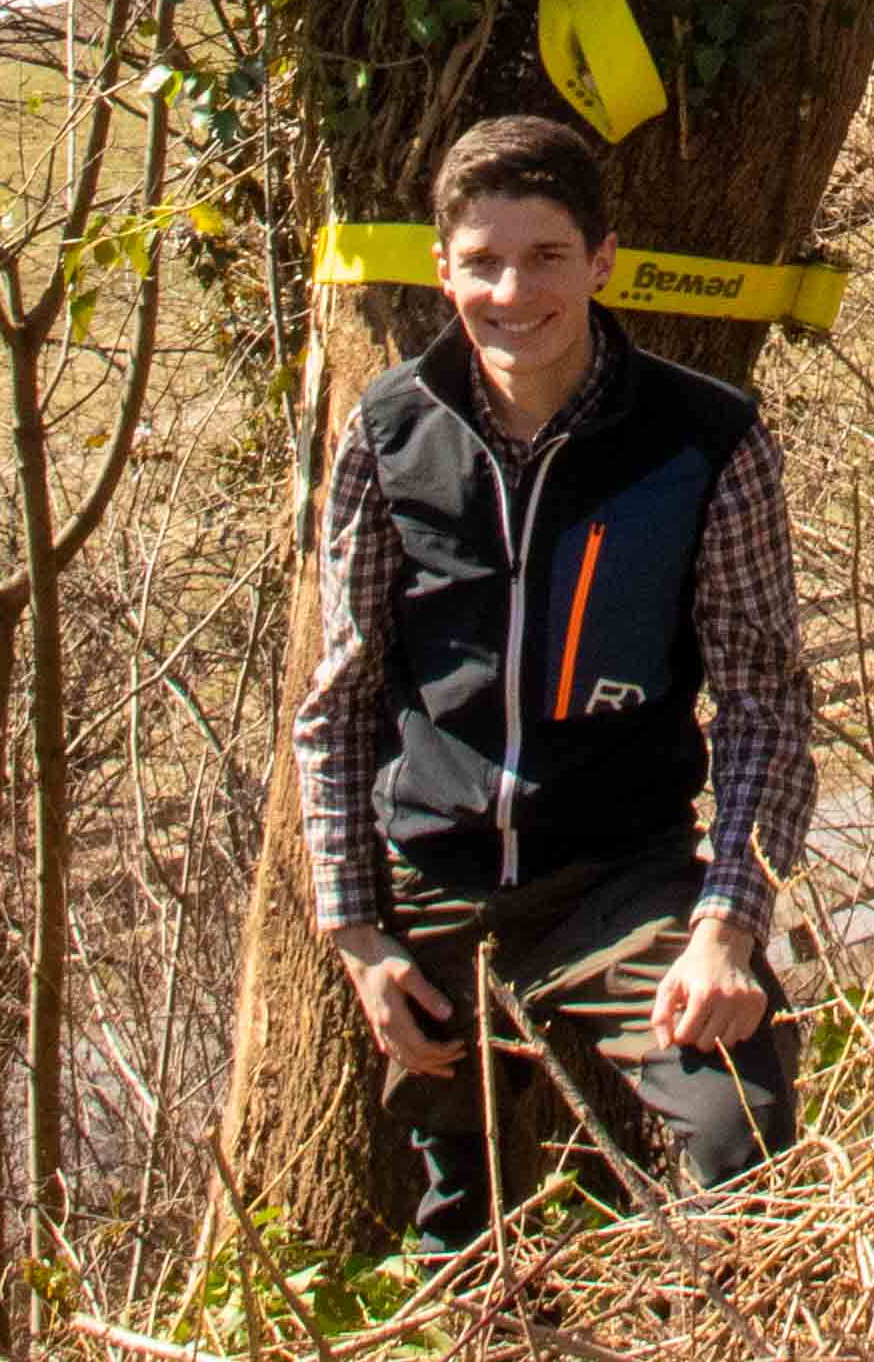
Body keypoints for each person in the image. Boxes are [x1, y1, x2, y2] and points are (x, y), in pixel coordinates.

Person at [297, 113, 810, 1255]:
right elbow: (339, 700)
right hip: (433, 887)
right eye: (482, 261)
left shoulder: (705, 441)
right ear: (441, 269)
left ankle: (719, 1320)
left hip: (620, 879)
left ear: (602, 260)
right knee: (459, 1224)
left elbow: (765, 703)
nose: (511, 292)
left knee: (738, 1129)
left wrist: (728, 928)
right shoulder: (387, 433)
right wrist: (357, 932)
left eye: (545, 257)